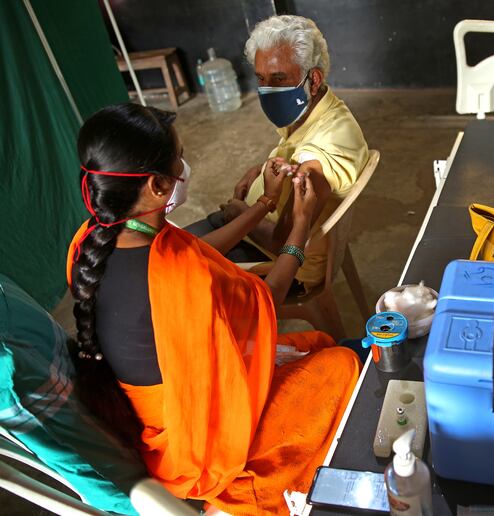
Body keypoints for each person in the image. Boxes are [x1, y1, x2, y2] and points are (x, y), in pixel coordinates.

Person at [67, 103, 359, 515]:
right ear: (155, 185)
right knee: (341, 363)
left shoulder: (90, 239)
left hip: (147, 413)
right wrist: (300, 227)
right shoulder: (178, 275)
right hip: (194, 443)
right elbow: (267, 303)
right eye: (179, 156)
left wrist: (265, 203)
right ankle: (236, 497)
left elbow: (197, 249)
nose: (186, 165)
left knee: (314, 344)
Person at [186, 15, 369, 291]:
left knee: (170, 267)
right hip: (256, 226)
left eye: (279, 78)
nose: (268, 89)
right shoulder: (324, 112)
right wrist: (262, 171)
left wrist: (242, 212)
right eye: (261, 78)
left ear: (314, 79)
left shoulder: (317, 157)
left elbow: (283, 242)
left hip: (276, 259)